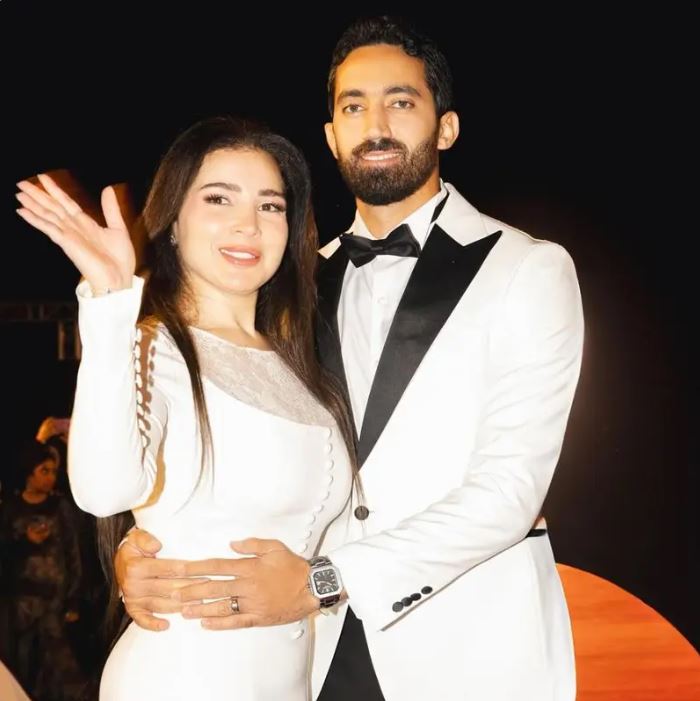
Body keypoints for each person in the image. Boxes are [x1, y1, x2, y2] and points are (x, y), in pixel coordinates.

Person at [115, 16, 585, 701]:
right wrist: (149, 548)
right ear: (332, 135)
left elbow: (510, 490)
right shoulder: (289, 286)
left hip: (467, 647)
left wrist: (323, 580)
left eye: (401, 101)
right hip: (308, 656)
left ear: (446, 127)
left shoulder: (528, 269)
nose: (376, 125)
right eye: (353, 106)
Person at [15, 116, 356, 700]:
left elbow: (329, 542)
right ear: (173, 221)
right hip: (180, 678)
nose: (248, 223)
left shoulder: (302, 365)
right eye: (219, 198)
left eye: (270, 205)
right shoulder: (154, 347)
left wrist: (324, 583)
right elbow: (103, 491)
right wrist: (110, 302)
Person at [0, 440, 85, 701]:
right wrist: (25, 541)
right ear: (29, 472)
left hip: (54, 602)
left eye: (53, 471)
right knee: (24, 666)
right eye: (44, 471)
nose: (50, 477)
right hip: (21, 604)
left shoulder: (60, 508)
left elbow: (73, 553)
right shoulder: (10, 508)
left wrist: (73, 599)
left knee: (60, 666)